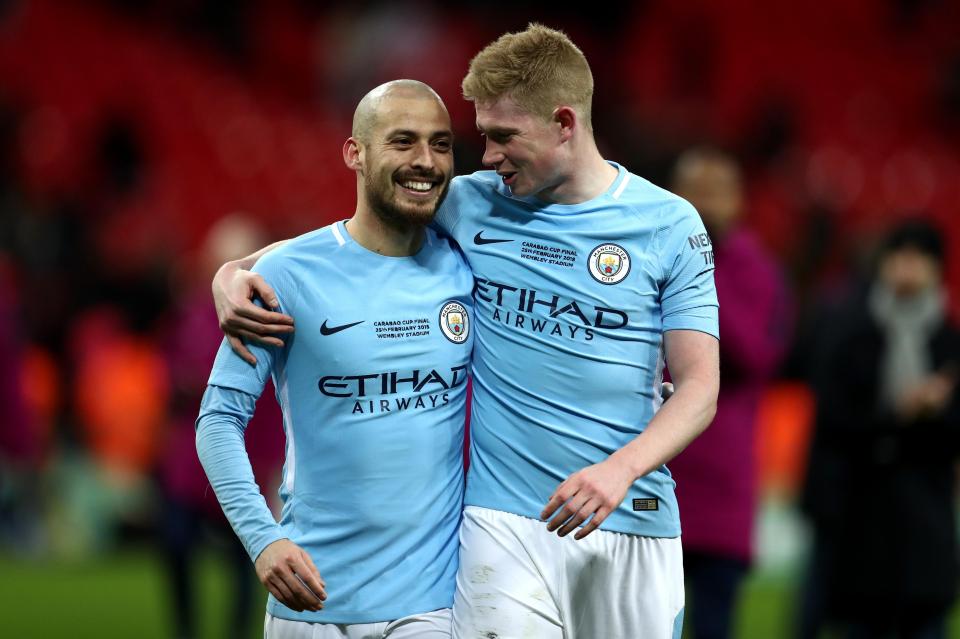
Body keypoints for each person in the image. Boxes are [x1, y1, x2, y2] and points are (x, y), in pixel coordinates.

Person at [215, 25, 719, 638]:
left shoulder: (669, 224)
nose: (487, 157)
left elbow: (699, 389)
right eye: (481, 138)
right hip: (502, 523)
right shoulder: (474, 202)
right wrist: (234, 272)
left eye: (503, 137)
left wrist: (620, 470)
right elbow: (346, 242)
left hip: (633, 514)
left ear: (564, 122)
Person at [196, 79, 474, 639]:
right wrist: (263, 538)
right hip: (311, 601)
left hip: (433, 605)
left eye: (440, 144)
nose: (425, 161)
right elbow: (218, 422)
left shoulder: (470, 264)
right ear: (355, 152)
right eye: (403, 141)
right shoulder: (287, 275)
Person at [797, 219, 960, 639]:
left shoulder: (949, 341)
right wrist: (901, 414)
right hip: (858, 512)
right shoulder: (851, 329)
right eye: (899, 255)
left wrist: (938, 412)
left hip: (926, 513)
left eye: (919, 256)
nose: (908, 266)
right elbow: (832, 417)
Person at [668, 147, 790, 639]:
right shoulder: (650, 256)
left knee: (715, 623)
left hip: (723, 484)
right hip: (658, 472)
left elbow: (755, 356)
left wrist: (701, 270)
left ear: (738, 201)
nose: (703, 203)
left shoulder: (758, 270)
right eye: (694, 190)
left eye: (716, 192)